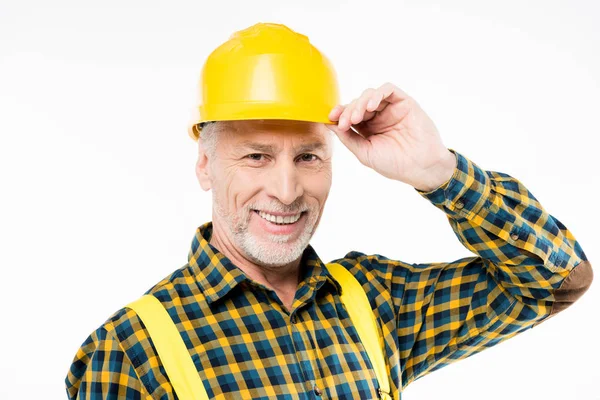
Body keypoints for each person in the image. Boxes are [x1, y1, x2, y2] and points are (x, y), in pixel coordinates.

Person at [65, 22, 593, 399]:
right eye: (256, 156)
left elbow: (556, 279)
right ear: (205, 166)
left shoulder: (374, 301)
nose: (288, 189)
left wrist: (439, 172)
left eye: (309, 156)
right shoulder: (130, 354)